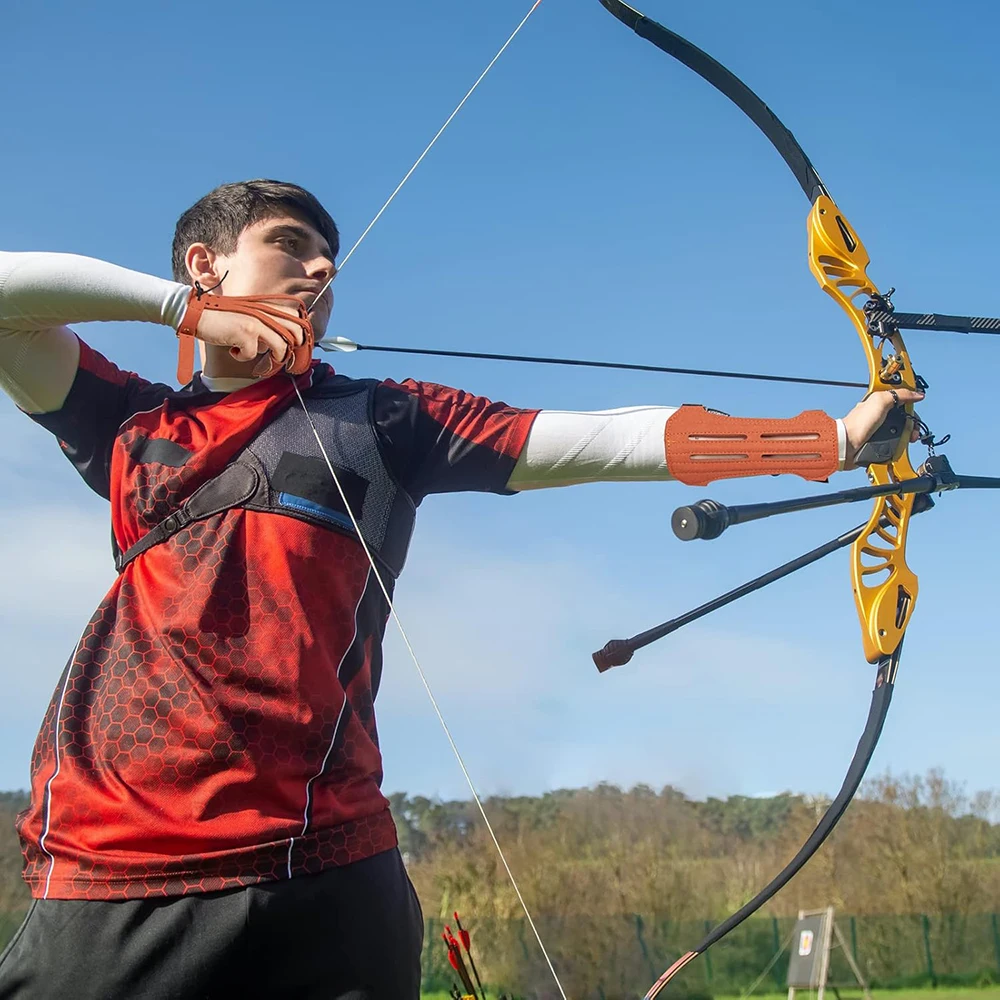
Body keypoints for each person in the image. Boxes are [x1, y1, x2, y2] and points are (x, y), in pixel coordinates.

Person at [0, 179, 922, 999]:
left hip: (331, 867)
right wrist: (180, 312)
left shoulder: (387, 417)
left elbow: (598, 440)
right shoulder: (127, 422)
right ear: (205, 263)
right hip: (116, 867)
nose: (322, 265)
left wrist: (827, 442)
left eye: (332, 256)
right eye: (290, 243)